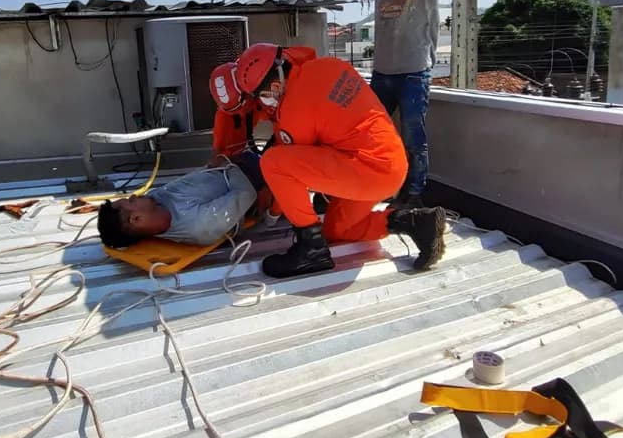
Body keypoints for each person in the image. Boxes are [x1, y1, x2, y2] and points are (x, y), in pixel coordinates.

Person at [234, 42, 448, 279]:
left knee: (273, 161)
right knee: (336, 229)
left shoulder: (294, 110)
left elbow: (291, 170)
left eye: (262, 97)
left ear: (274, 87)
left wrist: (271, 214)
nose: (264, 103)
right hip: (392, 165)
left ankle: (311, 251)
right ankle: (415, 222)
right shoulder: (329, 65)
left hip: (366, 171)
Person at [328, 0, 470, 210]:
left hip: (413, 72)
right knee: (365, 133)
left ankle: (414, 195)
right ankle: (366, 186)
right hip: (382, 73)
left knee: (412, 138)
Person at [98, 150, 266, 248]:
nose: (135, 195)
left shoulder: (156, 201)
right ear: (136, 218)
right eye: (131, 201)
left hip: (235, 160)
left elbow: (194, 180)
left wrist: (210, 166)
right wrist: (229, 165)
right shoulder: (198, 225)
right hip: (258, 175)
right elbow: (246, 194)